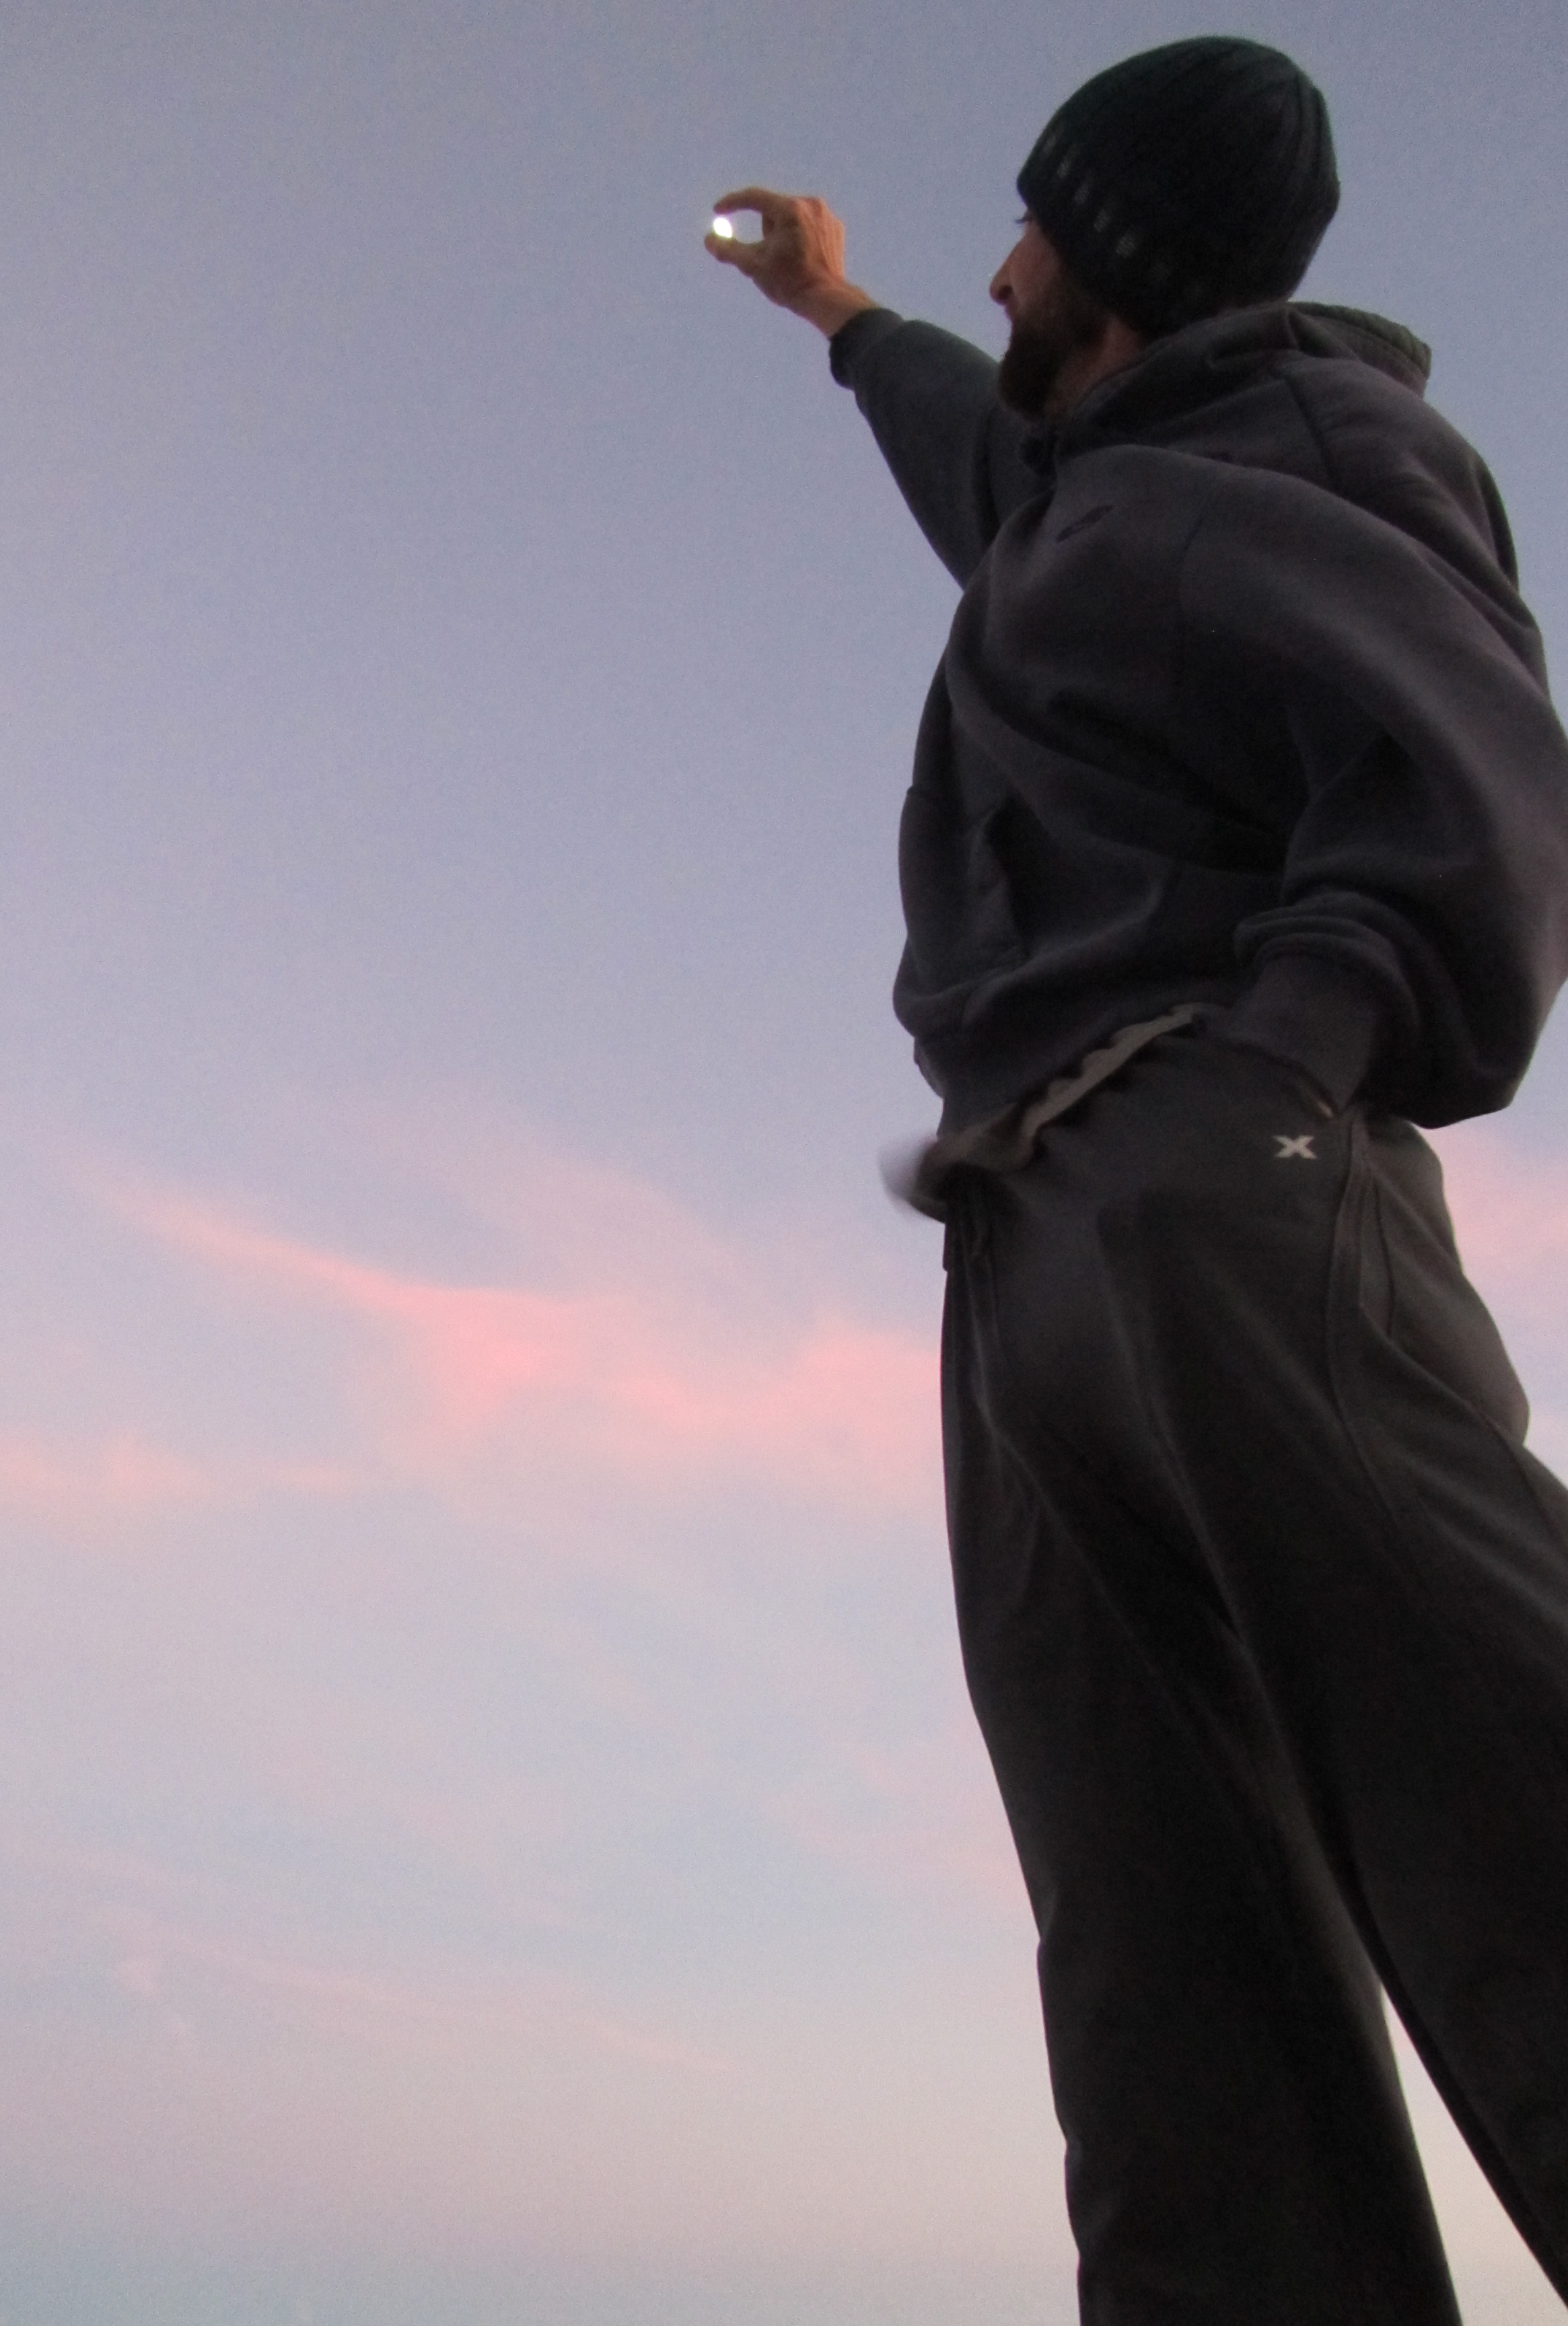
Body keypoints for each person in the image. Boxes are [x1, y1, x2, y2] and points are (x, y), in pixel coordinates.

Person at [707, 36, 1568, 2326]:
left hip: (1219, 1173)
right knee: (1155, 1951)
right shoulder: (1085, 497)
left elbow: (1471, 770)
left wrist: (1280, 1073)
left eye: (1033, 225)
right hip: (1025, 1239)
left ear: (1114, 251)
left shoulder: (1312, 448)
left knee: (1498, 1772)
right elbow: (976, 449)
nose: (1002, 267)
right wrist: (836, 309)